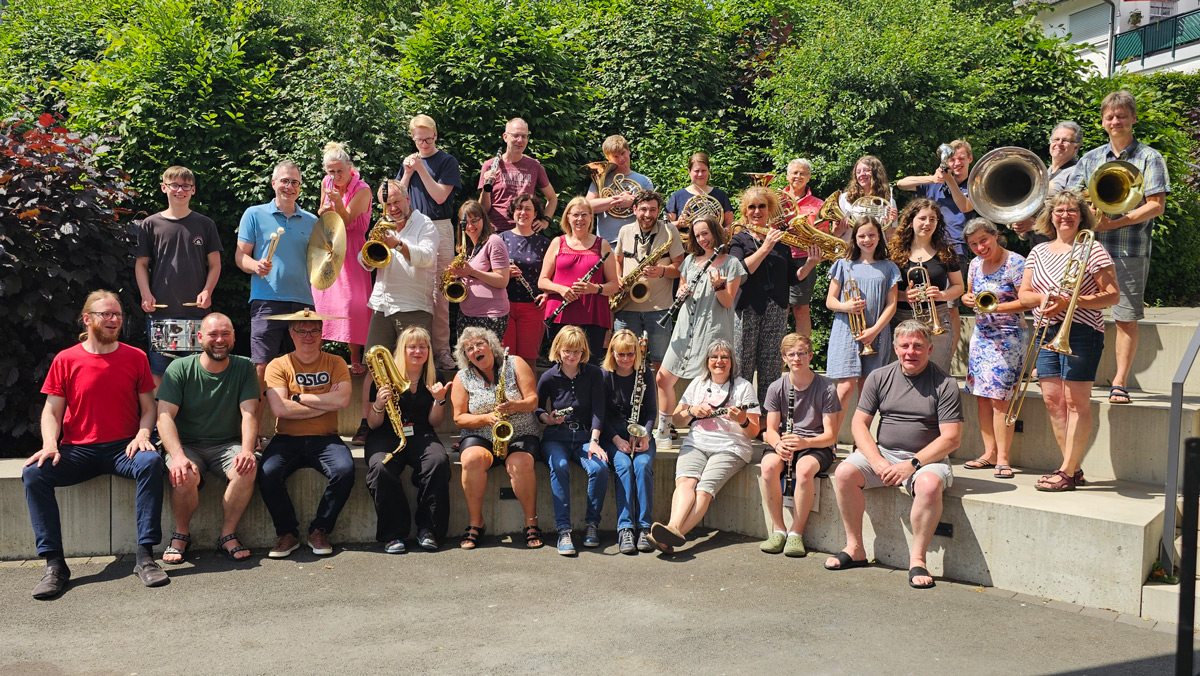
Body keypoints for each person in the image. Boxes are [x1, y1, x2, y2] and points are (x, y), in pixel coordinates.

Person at [23, 291, 165, 599]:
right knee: (35, 474)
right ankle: (55, 565)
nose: (114, 320)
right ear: (87, 319)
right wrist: (50, 444)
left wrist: (143, 434)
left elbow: (149, 407)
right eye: (106, 314)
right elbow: (52, 410)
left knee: (152, 462)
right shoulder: (66, 359)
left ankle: (145, 557)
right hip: (78, 450)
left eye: (118, 314)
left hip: (123, 449)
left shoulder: (135, 357)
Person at [824, 320, 962, 589]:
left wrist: (912, 464)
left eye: (918, 346)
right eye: (905, 346)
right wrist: (876, 460)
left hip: (926, 460)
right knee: (844, 472)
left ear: (930, 349)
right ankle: (855, 549)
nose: (911, 351)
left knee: (930, 484)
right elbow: (858, 424)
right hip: (884, 453)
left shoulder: (945, 384)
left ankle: (917, 560)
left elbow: (951, 438)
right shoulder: (879, 377)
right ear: (896, 349)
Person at [1069, 90, 1170, 406]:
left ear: (1133, 119)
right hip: (1089, 250)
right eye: (1110, 116)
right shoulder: (1091, 159)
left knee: (1125, 317)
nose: (1115, 121)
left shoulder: (1149, 157)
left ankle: (1120, 381)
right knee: (1079, 309)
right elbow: (1073, 199)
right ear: (1103, 122)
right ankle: (1078, 374)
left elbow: (1155, 205)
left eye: (1121, 115)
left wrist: (1114, 222)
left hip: (1129, 248)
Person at [1016, 191, 1119, 491]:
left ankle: (1065, 470)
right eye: (1059, 210)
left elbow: (1111, 295)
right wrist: (1047, 298)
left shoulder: (1094, 250)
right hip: (1046, 331)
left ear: (1081, 215)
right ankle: (1072, 468)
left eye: (1072, 210)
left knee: (1076, 402)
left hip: (1082, 331)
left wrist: (1071, 301)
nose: (1065, 215)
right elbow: (1024, 295)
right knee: (1052, 401)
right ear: (1050, 216)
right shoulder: (1038, 252)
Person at [156, 313, 259, 564]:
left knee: (247, 468)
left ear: (234, 336)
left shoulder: (245, 366)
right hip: (187, 444)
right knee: (183, 474)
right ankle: (181, 533)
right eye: (213, 334)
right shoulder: (179, 368)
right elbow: (164, 416)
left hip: (228, 443)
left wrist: (247, 450)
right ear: (200, 338)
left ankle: (227, 535)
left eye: (225, 333)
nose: (220, 340)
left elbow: (249, 413)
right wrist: (178, 457)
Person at [648, 339, 760, 554]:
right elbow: (677, 421)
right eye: (714, 357)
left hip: (731, 447)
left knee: (704, 489)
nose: (719, 361)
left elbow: (754, 432)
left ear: (731, 362)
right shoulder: (698, 383)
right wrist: (691, 412)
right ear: (707, 361)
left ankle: (671, 533)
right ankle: (671, 532)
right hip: (696, 444)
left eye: (724, 357)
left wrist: (743, 420)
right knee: (685, 482)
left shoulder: (744, 387)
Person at [258, 312, 354, 558]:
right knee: (267, 473)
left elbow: (342, 400)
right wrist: (325, 403)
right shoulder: (278, 365)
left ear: (322, 335)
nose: (308, 336)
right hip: (286, 438)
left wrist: (299, 398)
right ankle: (287, 533)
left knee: (344, 471)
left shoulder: (336, 362)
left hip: (326, 439)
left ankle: (319, 530)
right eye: (302, 331)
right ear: (291, 334)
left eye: (314, 331)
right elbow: (280, 408)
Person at [353, 179, 439, 445]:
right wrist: (371, 251)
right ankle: (367, 423)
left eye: (397, 202)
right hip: (382, 304)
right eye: (388, 204)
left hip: (413, 305)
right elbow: (364, 261)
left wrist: (397, 243)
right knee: (373, 367)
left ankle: (417, 424)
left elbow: (427, 257)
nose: (393, 208)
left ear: (408, 199)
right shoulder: (381, 224)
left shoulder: (424, 224)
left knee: (414, 368)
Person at [653, 215, 746, 448]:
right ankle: (664, 431)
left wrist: (718, 286)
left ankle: (707, 434)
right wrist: (681, 291)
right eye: (697, 235)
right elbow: (683, 292)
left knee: (709, 385)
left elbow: (727, 302)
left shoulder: (731, 263)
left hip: (712, 331)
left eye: (705, 233)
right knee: (662, 379)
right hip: (685, 328)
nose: (702, 239)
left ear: (715, 231)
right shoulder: (689, 261)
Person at [449, 327, 544, 549]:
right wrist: (487, 418)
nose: (475, 350)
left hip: (520, 432)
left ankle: (531, 522)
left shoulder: (515, 363)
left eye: (479, 344)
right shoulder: (463, 377)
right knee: (471, 459)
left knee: (520, 463)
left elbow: (532, 401)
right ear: (466, 356)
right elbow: (459, 418)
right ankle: (476, 523)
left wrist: (515, 406)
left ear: (491, 345)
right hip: (480, 434)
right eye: (469, 349)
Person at [363, 327, 451, 553]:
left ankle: (429, 529)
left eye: (423, 346)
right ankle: (393, 534)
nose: (418, 351)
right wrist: (379, 405)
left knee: (438, 462)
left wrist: (439, 401)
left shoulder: (435, 377)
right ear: (401, 350)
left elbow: (435, 422)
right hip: (385, 434)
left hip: (420, 433)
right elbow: (373, 424)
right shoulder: (382, 377)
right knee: (380, 468)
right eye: (412, 346)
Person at [134, 165, 222, 385]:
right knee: (160, 374)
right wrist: (145, 293)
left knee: (196, 374)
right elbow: (141, 264)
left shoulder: (205, 224)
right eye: (174, 185)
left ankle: (191, 420)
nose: (180, 190)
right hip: (161, 315)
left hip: (196, 314)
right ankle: (160, 420)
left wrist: (207, 291)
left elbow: (215, 264)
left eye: (186, 186)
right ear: (164, 188)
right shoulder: (150, 224)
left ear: (193, 190)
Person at [731, 186, 818, 407]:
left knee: (771, 367)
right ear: (745, 210)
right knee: (743, 365)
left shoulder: (781, 239)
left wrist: (809, 264)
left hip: (776, 309)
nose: (757, 211)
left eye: (762, 206)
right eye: (752, 207)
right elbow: (740, 271)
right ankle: (743, 416)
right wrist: (766, 246)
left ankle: (766, 419)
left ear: (769, 210)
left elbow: (792, 277)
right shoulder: (739, 239)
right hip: (747, 309)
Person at [234, 160, 318, 387]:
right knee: (262, 366)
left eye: (295, 182)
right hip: (266, 300)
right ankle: (256, 424)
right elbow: (240, 257)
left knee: (304, 366)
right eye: (284, 181)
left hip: (303, 302)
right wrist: (256, 266)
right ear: (273, 183)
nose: (289, 186)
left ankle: (298, 422)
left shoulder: (313, 222)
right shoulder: (254, 214)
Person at [759, 333, 840, 557]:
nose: (797, 358)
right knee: (767, 467)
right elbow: (771, 431)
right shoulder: (777, 387)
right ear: (784, 357)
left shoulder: (826, 388)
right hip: (786, 442)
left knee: (804, 470)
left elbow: (831, 435)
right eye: (791, 354)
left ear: (810, 355)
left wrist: (805, 442)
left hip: (816, 443)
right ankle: (778, 529)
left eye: (802, 353)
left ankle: (796, 532)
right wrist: (778, 446)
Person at [959, 219, 1027, 479]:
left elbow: (1026, 301)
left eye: (983, 240)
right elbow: (969, 295)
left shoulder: (1016, 262)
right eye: (974, 244)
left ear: (995, 235)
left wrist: (996, 307)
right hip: (982, 337)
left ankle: (1003, 458)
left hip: (1009, 338)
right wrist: (966, 298)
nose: (979, 247)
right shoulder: (975, 264)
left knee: (1000, 400)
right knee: (982, 398)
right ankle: (988, 453)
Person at [536, 326, 609, 555]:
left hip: (585, 436)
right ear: (558, 350)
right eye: (567, 350)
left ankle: (591, 525)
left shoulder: (594, 373)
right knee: (559, 466)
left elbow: (599, 410)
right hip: (556, 437)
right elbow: (536, 406)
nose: (572, 356)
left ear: (584, 352)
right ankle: (564, 531)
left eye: (577, 351)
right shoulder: (549, 376)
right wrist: (546, 418)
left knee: (599, 468)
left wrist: (595, 441)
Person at [899, 139, 977, 353]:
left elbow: (965, 206)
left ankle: (947, 359)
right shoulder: (933, 182)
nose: (956, 162)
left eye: (961, 158)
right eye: (952, 158)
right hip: (922, 249)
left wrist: (950, 180)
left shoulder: (974, 185)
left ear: (970, 159)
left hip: (953, 248)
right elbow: (901, 183)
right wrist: (933, 178)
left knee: (950, 307)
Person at [397, 114, 462, 370]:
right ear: (412, 138)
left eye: (428, 138)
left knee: (441, 293)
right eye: (418, 139)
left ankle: (442, 351)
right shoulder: (408, 163)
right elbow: (398, 198)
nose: (423, 144)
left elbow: (438, 197)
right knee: (412, 287)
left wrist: (420, 169)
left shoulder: (447, 161)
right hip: (412, 226)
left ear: (436, 136)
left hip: (440, 226)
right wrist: (407, 173)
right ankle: (414, 349)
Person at [825, 216, 901, 432]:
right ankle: (830, 439)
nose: (867, 239)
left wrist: (874, 331)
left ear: (879, 237)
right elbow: (830, 301)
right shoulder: (843, 264)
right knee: (845, 388)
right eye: (861, 236)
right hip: (846, 331)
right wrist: (846, 306)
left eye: (871, 235)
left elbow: (892, 305)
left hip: (876, 332)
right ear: (854, 238)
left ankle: (862, 441)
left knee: (868, 390)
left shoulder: (889, 267)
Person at [313, 142, 373, 375]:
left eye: (340, 171)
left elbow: (347, 221)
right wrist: (323, 210)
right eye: (331, 171)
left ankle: (356, 358)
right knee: (322, 301)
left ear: (350, 167)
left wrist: (337, 201)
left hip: (353, 250)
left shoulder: (363, 189)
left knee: (353, 304)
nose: (335, 176)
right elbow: (321, 211)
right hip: (330, 246)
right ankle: (316, 356)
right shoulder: (325, 183)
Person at [538, 196, 620, 363]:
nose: (580, 219)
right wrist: (561, 289)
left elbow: (614, 285)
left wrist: (595, 288)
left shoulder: (602, 245)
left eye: (584, 214)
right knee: (560, 366)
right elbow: (542, 281)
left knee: (590, 368)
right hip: (560, 314)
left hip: (593, 316)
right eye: (575, 215)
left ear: (591, 217)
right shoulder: (557, 242)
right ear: (567, 217)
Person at [612, 190, 685, 375]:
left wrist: (662, 271)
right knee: (623, 362)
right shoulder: (624, 231)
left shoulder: (670, 231)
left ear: (659, 210)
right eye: (643, 209)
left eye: (653, 210)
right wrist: (618, 278)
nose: (647, 214)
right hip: (626, 306)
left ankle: (658, 403)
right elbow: (617, 260)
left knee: (662, 363)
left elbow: (680, 268)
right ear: (634, 209)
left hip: (659, 309)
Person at [888, 198, 964, 373]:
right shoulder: (894, 252)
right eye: (922, 218)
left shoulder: (946, 251)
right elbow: (885, 290)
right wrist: (903, 296)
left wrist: (942, 295)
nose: (927, 223)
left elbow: (959, 286)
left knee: (937, 374)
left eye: (932, 219)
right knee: (902, 374)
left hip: (937, 318)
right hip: (902, 318)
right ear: (911, 220)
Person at [601, 329, 658, 554]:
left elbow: (652, 411)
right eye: (621, 354)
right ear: (612, 353)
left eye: (630, 354)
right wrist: (615, 440)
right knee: (624, 466)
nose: (625, 359)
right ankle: (625, 528)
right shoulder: (604, 375)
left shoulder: (645, 374)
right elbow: (600, 416)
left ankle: (644, 527)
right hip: (613, 435)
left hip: (641, 433)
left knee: (643, 465)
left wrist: (647, 435)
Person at [1011, 121, 1084, 246]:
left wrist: (1034, 223)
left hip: (1063, 246)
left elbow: (1070, 214)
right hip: (1040, 244)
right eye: (1056, 139)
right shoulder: (1043, 172)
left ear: (1076, 147)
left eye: (1065, 140)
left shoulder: (1077, 173)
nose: (1059, 143)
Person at [479, 117, 557, 232]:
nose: (520, 140)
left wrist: (545, 221)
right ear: (505, 137)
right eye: (515, 136)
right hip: (496, 231)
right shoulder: (490, 165)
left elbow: (552, 198)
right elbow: (483, 209)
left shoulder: (534, 166)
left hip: (525, 231)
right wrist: (486, 187)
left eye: (524, 136)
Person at [499, 193, 551, 361]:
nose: (523, 213)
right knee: (505, 359)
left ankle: (528, 388)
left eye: (528, 209)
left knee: (528, 360)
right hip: (503, 305)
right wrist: (504, 273)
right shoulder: (500, 239)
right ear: (513, 212)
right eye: (519, 208)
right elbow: (489, 270)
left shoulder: (544, 243)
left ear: (535, 214)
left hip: (533, 307)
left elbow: (553, 275)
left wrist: (547, 295)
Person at [450, 200, 511, 339]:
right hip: (467, 314)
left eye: (474, 220)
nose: (470, 226)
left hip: (490, 315)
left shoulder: (493, 241)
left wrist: (472, 272)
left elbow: (502, 280)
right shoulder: (467, 249)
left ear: (483, 218)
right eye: (466, 223)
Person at [781, 159, 825, 336]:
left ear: (809, 178)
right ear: (787, 176)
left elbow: (822, 235)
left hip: (804, 259)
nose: (798, 176)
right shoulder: (774, 200)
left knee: (801, 309)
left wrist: (801, 233)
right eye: (795, 172)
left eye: (803, 173)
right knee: (779, 310)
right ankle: (777, 358)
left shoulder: (818, 205)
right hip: (778, 256)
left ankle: (802, 353)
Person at [586, 134, 655, 244]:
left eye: (623, 153)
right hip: (607, 243)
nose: (621, 159)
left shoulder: (644, 181)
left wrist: (633, 202)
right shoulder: (601, 179)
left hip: (636, 241)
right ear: (608, 159)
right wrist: (616, 200)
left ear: (628, 151)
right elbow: (587, 206)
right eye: (615, 156)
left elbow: (651, 210)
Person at [665, 152, 735, 234]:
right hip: (686, 245)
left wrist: (723, 231)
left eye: (703, 170)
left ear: (708, 171)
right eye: (696, 171)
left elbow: (731, 225)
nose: (700, 174)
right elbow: (666, 226)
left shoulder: (720, 195)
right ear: (689, 172)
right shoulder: (677, 196)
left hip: (715, 244)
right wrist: (678, 223)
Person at [834, 155, 898, 242]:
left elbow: (891, 240)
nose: (862, 174)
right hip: (850, 250)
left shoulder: (888, 201)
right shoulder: (844, 199)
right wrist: (841, 229)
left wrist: (889, 224)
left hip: (877, 251)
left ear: (876, 173)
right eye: (858, 172)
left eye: (867, 170)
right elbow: (835, 234)